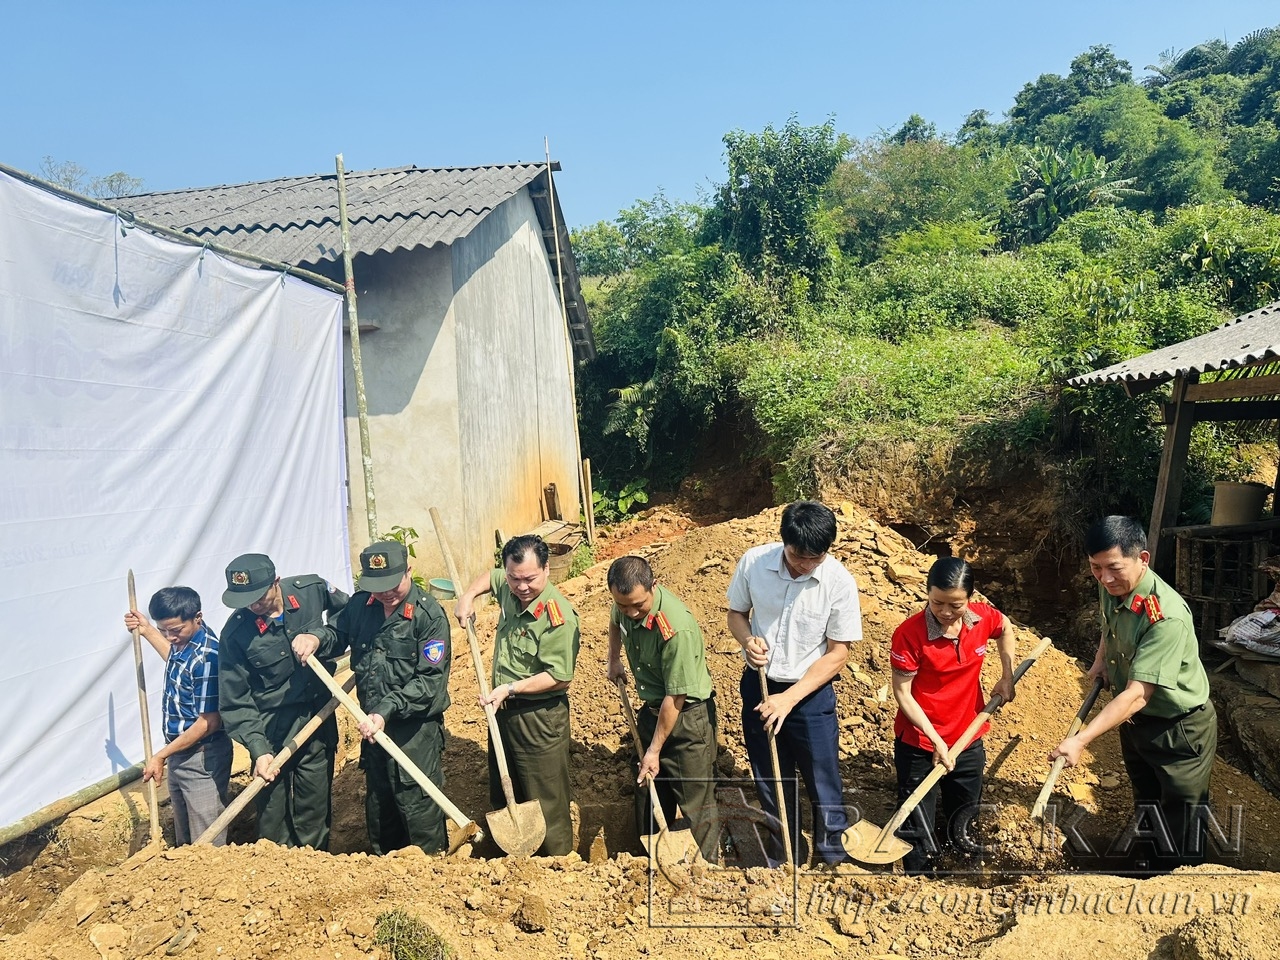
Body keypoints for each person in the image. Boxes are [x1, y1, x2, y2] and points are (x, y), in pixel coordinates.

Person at [1050, 516, 1217, 870]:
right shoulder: (1110, 584)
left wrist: (1080, 740)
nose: (1104, 578)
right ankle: (1147, 868)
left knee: (1181, 819)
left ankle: (1178, 887)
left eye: (1113, 568)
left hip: (1179, 730)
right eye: (1095, 568)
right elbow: (1110, 623)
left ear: (1143, 558)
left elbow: (1138, 694)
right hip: (1138, 722)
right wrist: (1101, 660)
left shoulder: (1165, 616)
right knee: (1147, 801)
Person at [727, 501, 863, 866]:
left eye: (814, 559)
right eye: (797, 556)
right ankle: (783, 856)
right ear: (784, 542)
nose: (805, 565)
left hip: (809, 695)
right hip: (759, 686)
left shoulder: (838, 582)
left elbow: (837, 654)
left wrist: (788, 700)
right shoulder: (754, 563)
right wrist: (747, 640)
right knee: (771, 778)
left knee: (823, 779)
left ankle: (833, 858)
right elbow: (737, 613)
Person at [888, 557, 1016, 874]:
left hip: (968, 736)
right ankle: (921, 879)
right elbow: (903, 694)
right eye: (937, 602)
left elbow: (1005, 628)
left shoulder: (982, 618)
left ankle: (964, 872)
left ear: (969, 599)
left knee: (966, 812)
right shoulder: (909, 634)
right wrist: (935, 741)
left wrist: (1007, 673)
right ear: (928, 594)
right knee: (919, 819)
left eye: (955, 605)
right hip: (920, 740)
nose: (945, 612)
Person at [455, 535, 580, 855]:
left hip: (538, 718)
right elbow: (491, 578)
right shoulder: (507, 584)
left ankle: (558, 867)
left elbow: (559, 677)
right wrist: (468, 596)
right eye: (514, 578)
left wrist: (510, 688)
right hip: (502, 710)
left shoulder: (557, 616)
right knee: (503, 790)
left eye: (529, 579)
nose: (521, 586)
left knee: (546, 800)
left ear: (547, 569)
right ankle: (509, 864)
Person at [218, 553, 348, 849]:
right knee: (273, 813)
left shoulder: (311, 590)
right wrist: (258, 749)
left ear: (276, 582)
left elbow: (349, 621)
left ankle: (315, 870)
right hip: (269, 728)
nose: (253, 606)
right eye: (245, 600)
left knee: (314, 805)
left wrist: (319, 637)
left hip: (316, 717)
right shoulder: (235, 634)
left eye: (259, 597)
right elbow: (236, 701)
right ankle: (279, 878)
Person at [336, 541, 452, 855]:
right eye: (378, 586)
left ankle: (431, 875)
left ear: (408, 571)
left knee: (417, 806)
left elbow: (429, 683)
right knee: (380, 804)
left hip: (413, 732)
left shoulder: (428, 616)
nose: (386, 593)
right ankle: (387, 880)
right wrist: (315, 637)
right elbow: (337, 634)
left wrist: (387, 709)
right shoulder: (361, 606)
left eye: (392, 584)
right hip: (373, 729)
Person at [606, 555, 720, 859]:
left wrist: (654, 751)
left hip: (686, 720)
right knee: (649, 792)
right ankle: (647, 866)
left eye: (638, 606)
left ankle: (711, 870)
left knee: (696, 802)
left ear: (653, 586)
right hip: (652, 711)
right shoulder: (624, 602)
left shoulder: (675, 627)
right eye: (622, 605)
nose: (630, 613)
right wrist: (614, 657)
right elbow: (615, 621)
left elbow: (676, 698)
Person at [123, 586, 232, 846]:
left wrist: (161, 755)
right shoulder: (184, 645)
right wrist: (147, 630)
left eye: (176, 630)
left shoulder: (208, 657)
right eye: (164, 630)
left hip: (202, 756)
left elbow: (208, 722)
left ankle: (213, 883)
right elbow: (175, 661)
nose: (170, 637)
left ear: (198, 617)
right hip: (179, 752)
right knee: (185, 836)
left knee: (207, 837)